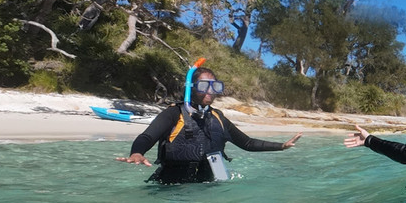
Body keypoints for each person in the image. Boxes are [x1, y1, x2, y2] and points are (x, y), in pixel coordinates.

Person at [116, 64, 302, 183]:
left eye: (215, 86)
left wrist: (282, 146)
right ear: (192, 87)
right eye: (204, 86)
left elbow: (247, 143)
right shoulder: (174, 113)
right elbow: (147, 136)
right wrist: (137, 152)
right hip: (175, 182)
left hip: (214, 177)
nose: (210, 91)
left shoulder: (218, 117)